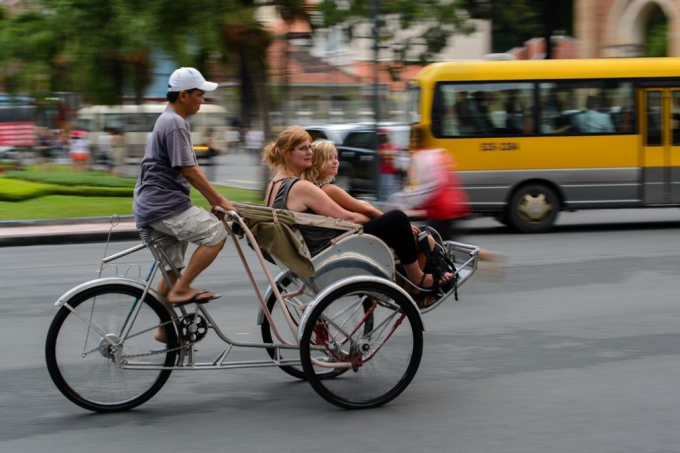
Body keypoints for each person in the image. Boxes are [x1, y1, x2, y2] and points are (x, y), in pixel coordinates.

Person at [262, 126, 452, 293]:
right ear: (287, 153)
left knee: (393, 224)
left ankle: (409, 282)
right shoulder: (302, 187)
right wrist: (375, 219)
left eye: (310, 147)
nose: (310, 152)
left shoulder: (274, 184)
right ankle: (417, 278)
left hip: (313, 248)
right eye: (303, 148)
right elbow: (346, 217)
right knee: (398, 219)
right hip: (329, 249)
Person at [133, 67, 235, 312]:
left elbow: (189, 170)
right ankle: (182, 289)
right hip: (165, 206)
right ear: (183, 95)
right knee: (217, 234)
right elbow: (189, 170)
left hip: (157, 206)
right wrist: (221, 200)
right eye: (199, 94)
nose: (202, 100)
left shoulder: (169, 120)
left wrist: (214, 201)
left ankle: (164, 329)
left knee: (172, 270)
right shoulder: (175, 123)